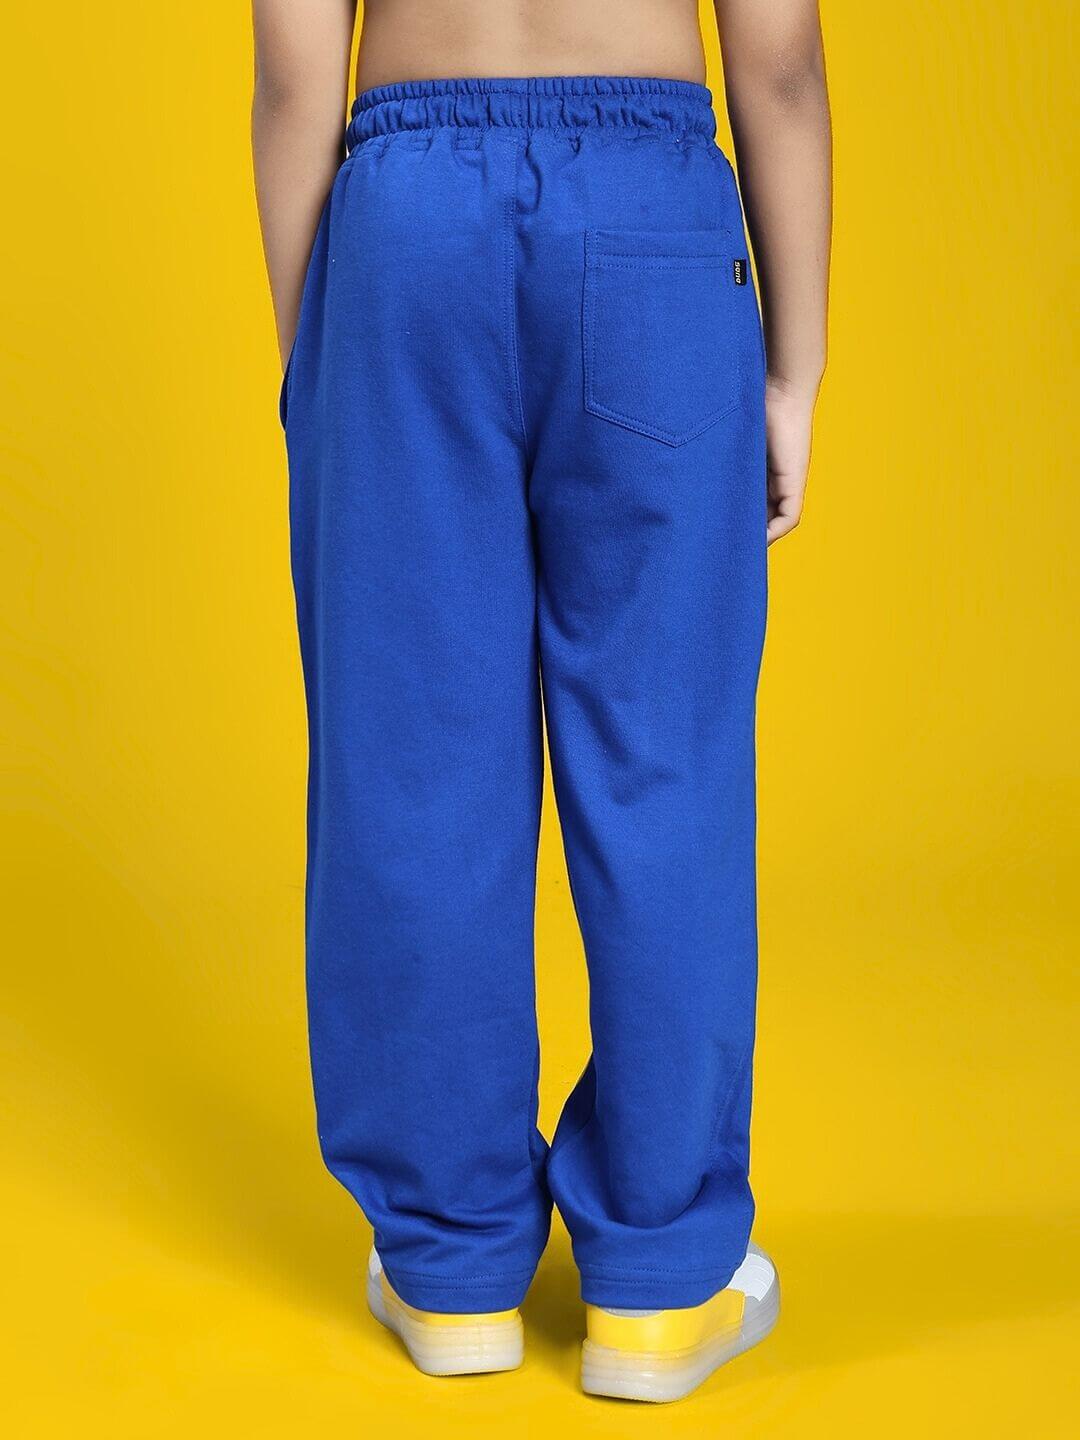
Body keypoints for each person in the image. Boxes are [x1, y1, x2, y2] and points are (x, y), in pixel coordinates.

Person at [252, 0, 830, 1404]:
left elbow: (290, 70)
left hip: (403, 223)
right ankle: (660, 1283)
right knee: (664, 758)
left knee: (415, 753)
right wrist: (798, 372)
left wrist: (310, 358)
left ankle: (452, 1273)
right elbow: (782, 65)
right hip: (650, 212)